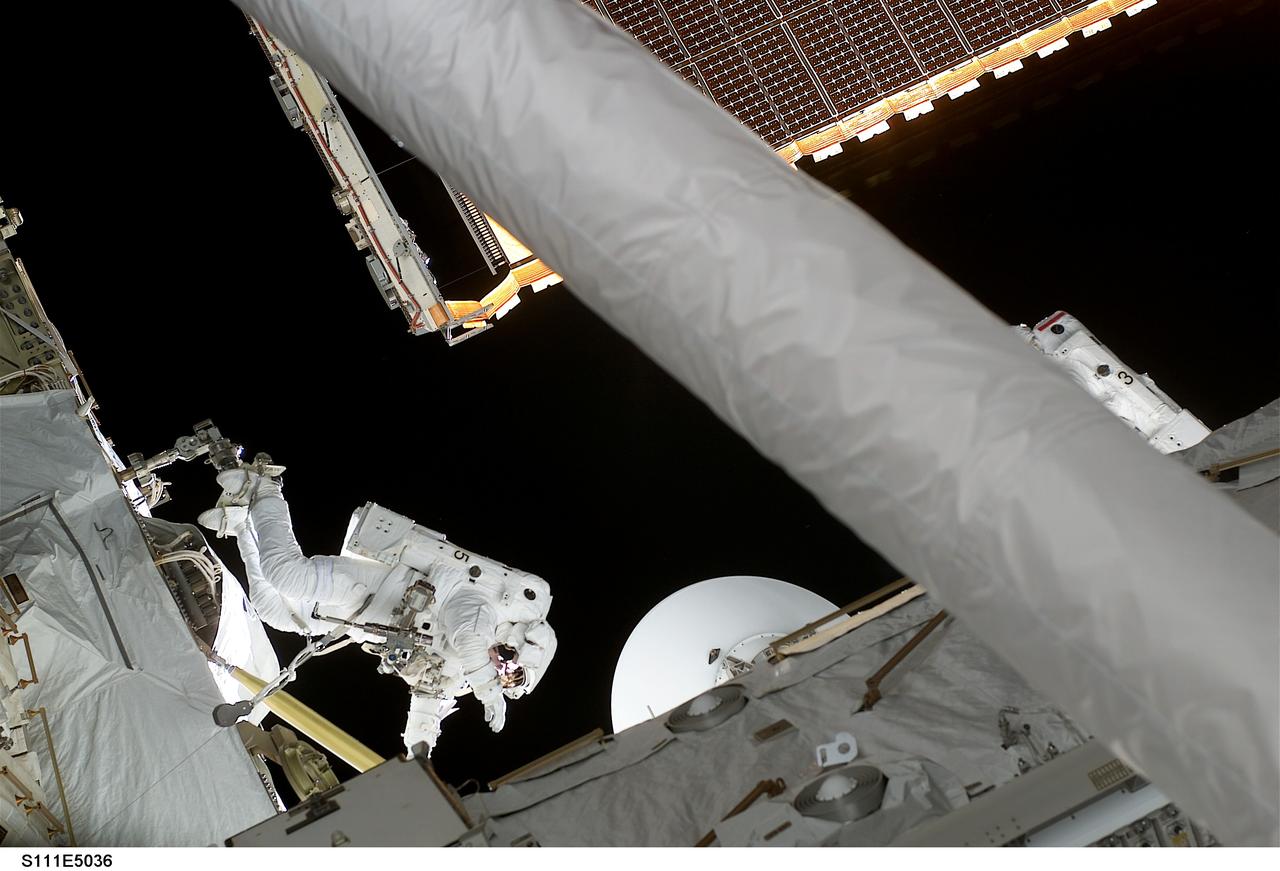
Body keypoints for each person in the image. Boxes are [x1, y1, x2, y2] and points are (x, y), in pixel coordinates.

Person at [199, 461, 556, 753]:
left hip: (357, 619)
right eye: (511, 660)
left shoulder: (457, 673)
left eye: (505, 674)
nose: (501, 666)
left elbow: (426, 708)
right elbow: (468, 633)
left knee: (273, 611)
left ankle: (244, 522)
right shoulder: (484, 612)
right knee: (288, 575)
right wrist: (488, 691)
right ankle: (265, 489)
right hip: (375, 587)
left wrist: (420, 759)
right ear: (520, 639)